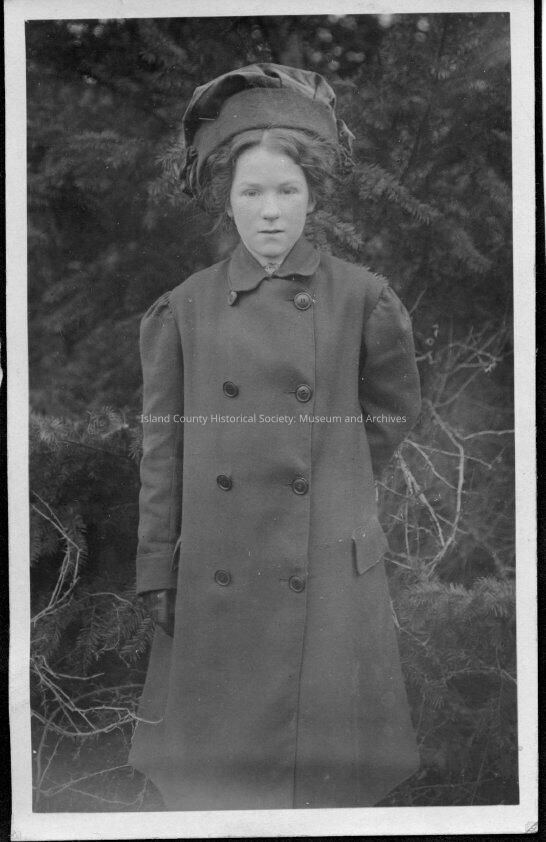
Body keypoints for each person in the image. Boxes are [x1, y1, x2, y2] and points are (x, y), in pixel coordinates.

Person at [129, 63, 422, 811]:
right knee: (218, 793)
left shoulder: (364, 299)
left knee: (326, 792)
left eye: (287, 191)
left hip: (323, 571)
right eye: (250, 192)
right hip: (216, 576)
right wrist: (156, 567)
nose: (269, 213)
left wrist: (331, 473)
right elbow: (163, 449)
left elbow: (391, 415)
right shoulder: (183, 310)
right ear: (224, 199)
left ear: (313, 195)